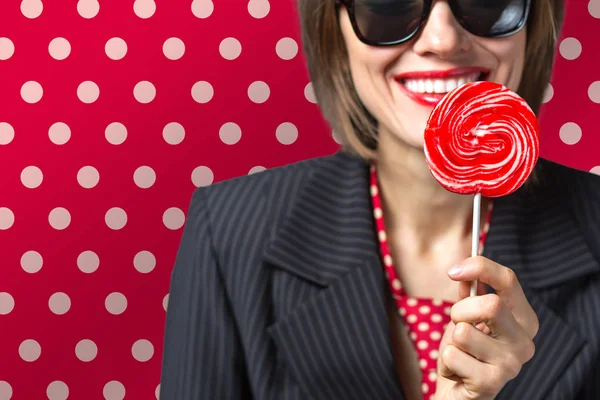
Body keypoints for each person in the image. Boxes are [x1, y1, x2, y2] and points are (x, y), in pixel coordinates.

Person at [159, 0, 600, 399]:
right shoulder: (229, 232)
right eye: (389, 5)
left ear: (534, 22)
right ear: (335, 30)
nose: (442, 41)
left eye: (484, 1)